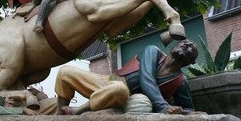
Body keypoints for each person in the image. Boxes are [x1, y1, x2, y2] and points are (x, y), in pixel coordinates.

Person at [55, 39, 199, 115]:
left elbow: (189, 110)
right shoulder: (153, 51)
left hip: (127, 99)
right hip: (109, 81)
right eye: (184, 43)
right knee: (65, 71)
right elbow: (146, 79)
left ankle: (79, 111)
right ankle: (59, 114)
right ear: (173, 47)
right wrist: (163, 107)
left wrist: (178, 111)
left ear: (191, 62)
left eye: (192, 49)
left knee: (120, 89)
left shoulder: (181, 82)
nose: (187, 46)